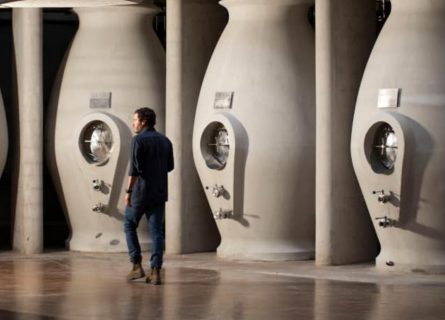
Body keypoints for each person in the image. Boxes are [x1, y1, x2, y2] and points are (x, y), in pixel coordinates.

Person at [124, 107, 174, 285]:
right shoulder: (165, 141)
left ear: (143, 121)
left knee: (129, 225)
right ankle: (155, 271)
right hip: (159, 192)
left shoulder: (138, 140)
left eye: (135, 120)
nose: (133, 123)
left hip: (140, 192)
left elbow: (134, 170)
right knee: (157, 233)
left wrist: (128, 192)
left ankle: (136, 265)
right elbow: (169, 167)